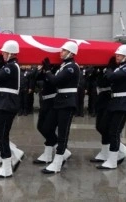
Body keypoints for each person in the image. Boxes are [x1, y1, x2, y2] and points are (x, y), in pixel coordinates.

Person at [40, 41, 79, 174]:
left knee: (63, 133)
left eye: (63, 50)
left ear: (71, 53)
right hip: (59, 101)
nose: (60, 52)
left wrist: (47, 71)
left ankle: (57, 162)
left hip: (67, 103)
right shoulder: (64, 66)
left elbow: (56, 81)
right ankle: (63, 151)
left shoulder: (72, 67)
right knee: (46, 127)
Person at [0, 40, 23, 178]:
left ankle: (7, 167)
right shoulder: (8, 66)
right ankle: (13, 153)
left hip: (6, 105)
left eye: (4, 52)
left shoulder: (12, 67)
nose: (2, 54)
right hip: (2, 103)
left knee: (1, 135)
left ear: (11, 53)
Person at [96, 44, 126, 170]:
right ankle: (122, 149)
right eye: (117, 54)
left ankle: (113, 160)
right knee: (103, 126)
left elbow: (112, 77)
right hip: (115, 101)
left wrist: (108, 68)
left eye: (120, 55)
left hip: (123, 102)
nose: (117, 56)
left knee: (114, 131)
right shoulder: (119, 68)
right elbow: (106, 80)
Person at [33, 59, 58, 164]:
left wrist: (48, 70)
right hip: (44, 101)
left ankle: (48, 155)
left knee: (48, 128)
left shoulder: (57, 69)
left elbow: (54, 81)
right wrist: (42, 69)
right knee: (40, 126)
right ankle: (58, 146)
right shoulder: (45, 69)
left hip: (53, 101)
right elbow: (36, 78)